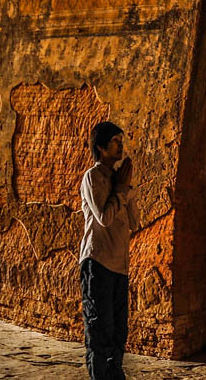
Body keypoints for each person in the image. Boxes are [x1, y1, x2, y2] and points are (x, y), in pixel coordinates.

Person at [79, 121, 139, 380]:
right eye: (115, 141)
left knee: (118, 332)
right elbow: (103, 217)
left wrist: (128, 189)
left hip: (119, 265)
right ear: (101, 147)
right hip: (98, 262)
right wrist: (121, 190)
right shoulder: (93, 177)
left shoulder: (117, 180)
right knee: (100, 331)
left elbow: (134, 222)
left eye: (120, 140)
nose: (120, 145)